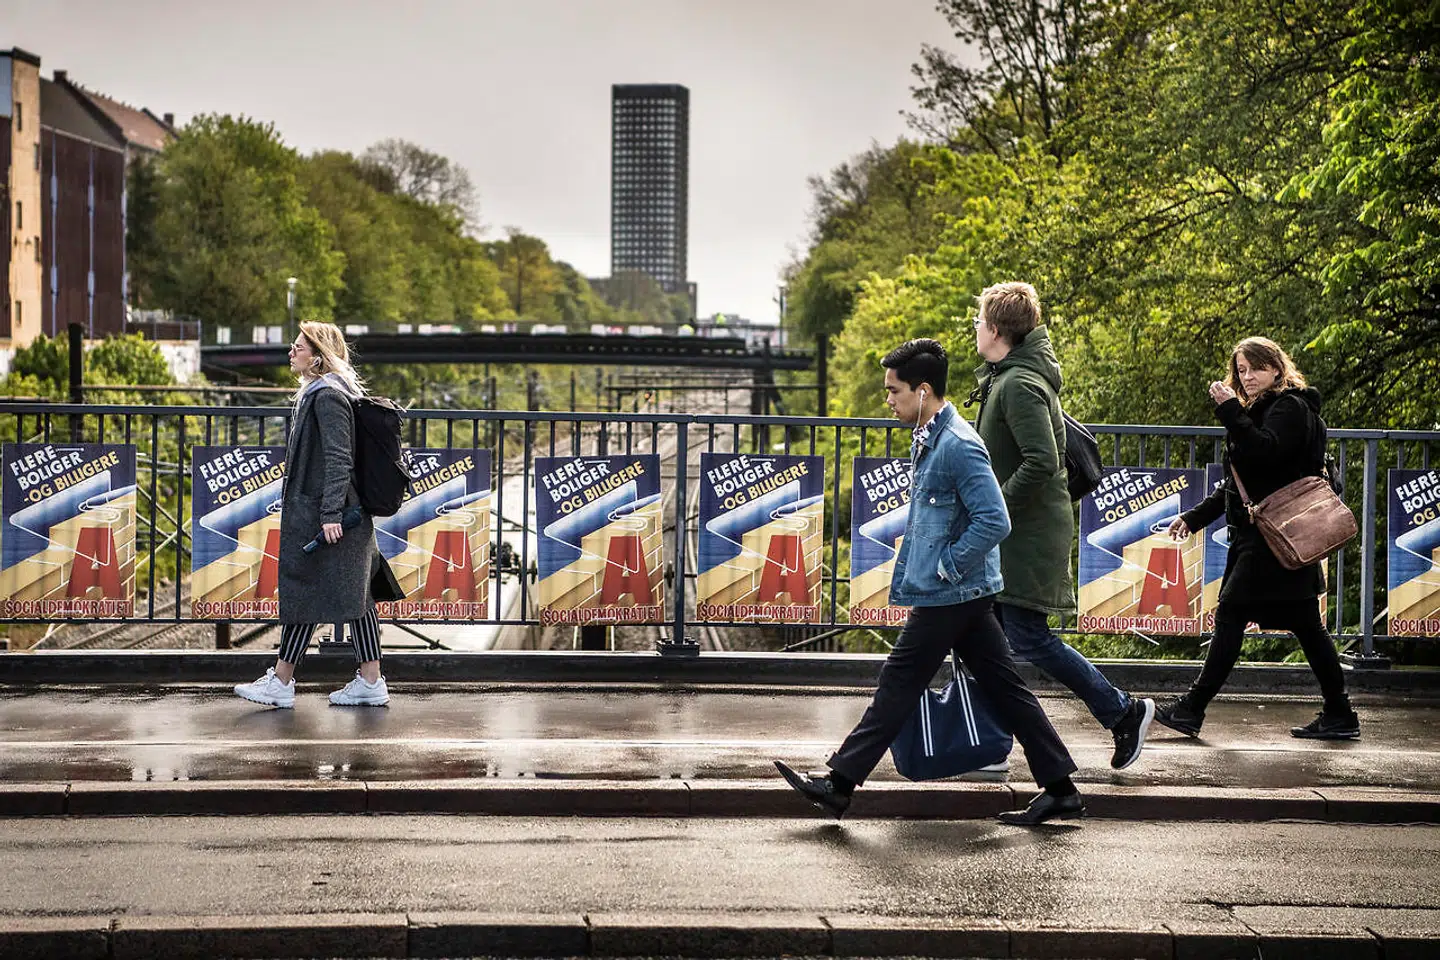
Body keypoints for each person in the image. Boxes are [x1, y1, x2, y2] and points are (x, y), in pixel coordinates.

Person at [775, 338, 1085, 826]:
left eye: (894, 391)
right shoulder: (931, 437)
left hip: (952, 590)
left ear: (922, 391)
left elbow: (995, 519)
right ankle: (1061, 788)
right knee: (1006, 689)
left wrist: (947, 565)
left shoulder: (958, 445)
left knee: (899, 680)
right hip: (964, 591)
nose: (888, 400)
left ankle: (839, 784)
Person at [968, 282, 1155, 769]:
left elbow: (1042, 462)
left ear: (995, 330)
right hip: (1016, 532)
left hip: (1024, 535)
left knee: (1024, 638)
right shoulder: (1007, 376)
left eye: (978, 322)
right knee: (986, 634)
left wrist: (994, 507)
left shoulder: (1020, 384)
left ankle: (1123, 713)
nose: (974, 329)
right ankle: (990, 740)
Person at [1157, 336, 1357, 739]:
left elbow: (1266, 453)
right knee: (1305, 624)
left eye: (1255, 368)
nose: (1247, 377)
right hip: (1271, 534)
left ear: (1277, 368)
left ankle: (1192, 709)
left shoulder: (1289, 408)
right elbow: (1240, 482)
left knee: (1231, 615)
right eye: (1242, 370)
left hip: (1273, 536)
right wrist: (1194, 518)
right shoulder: (1265, 410)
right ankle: (1340, 713)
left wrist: (1230, 411)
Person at [234, 321, 390, 709]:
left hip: (336, 515)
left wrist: (331, 513)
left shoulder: (328, 396)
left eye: (299, 346)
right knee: (357, 596)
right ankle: (368, 681)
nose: (291, 350)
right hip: (337, 512)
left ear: (319, 355)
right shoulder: (322, 392)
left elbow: (340, 457)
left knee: (310, 590)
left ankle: (282, 682)